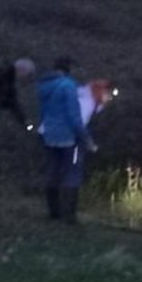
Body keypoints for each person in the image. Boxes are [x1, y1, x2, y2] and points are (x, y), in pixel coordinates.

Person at [36, 56, 97, 223]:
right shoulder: (68, 86)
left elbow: (43, 112)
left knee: (52, 171)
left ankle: (53, 212)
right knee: (73, 173)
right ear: (69, 68)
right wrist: (86, 139)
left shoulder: (44, 85)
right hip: (70, 138)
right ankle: (69, 215)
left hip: (49, 135)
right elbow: (74, 116)